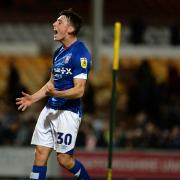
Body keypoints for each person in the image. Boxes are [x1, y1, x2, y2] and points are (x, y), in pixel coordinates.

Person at [16, 9, 91, 180]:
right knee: (40, 153)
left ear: (70, 29)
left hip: (67, 113)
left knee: (64, 160)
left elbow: (79, 90)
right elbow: (51, 83)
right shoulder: (58, 53)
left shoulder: (80, 53)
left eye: (59, 21)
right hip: (50, 109)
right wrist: (32, 98)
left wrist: (57, 93)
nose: (54, 24)